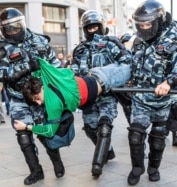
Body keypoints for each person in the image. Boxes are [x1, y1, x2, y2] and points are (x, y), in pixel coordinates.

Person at [0, 8, 62, 185]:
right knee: (23, 134)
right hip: (18, 97)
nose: (14, 31)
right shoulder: (0, 51)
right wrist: (27, 67)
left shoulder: (39, 40)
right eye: (10, 28)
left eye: (17, 26)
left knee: (46, 133)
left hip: (40, 96)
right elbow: (2, 74)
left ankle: (57, 163)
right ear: (3, 30)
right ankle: (36, 171)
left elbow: (56, 64)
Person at [125, 1, 177, 185]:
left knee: (157, 140)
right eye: (141, 24)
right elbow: (132, 64)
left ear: (159, 21)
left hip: (164, 102)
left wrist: (168, 82)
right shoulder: (138, 40)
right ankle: (137, 168)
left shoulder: (174, 38)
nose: (144, 28)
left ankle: (154, 169)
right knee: (135, 135)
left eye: (148, 24)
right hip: (140, 99)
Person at [71, 10, 132, 177]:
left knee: (105, 126)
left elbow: (126, 63)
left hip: (108, 94)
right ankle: (108, 150)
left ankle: (97, 164)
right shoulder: (79, 50)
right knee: (90, 128)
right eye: (89, 28)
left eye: (95, 27)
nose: (92, 30)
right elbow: (73, 72)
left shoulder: (112, 44)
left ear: (102, 26)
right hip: (88, 96)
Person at [14, 58, 131, 137]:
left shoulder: (52, 104)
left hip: (106, 79)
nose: (39, 103)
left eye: (37, 98)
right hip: (98, 76)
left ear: (39, 89)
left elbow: (49, 131)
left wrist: (26, 127)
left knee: (133, 67)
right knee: (128, 63)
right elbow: (36, 61)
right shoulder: (47, 75)